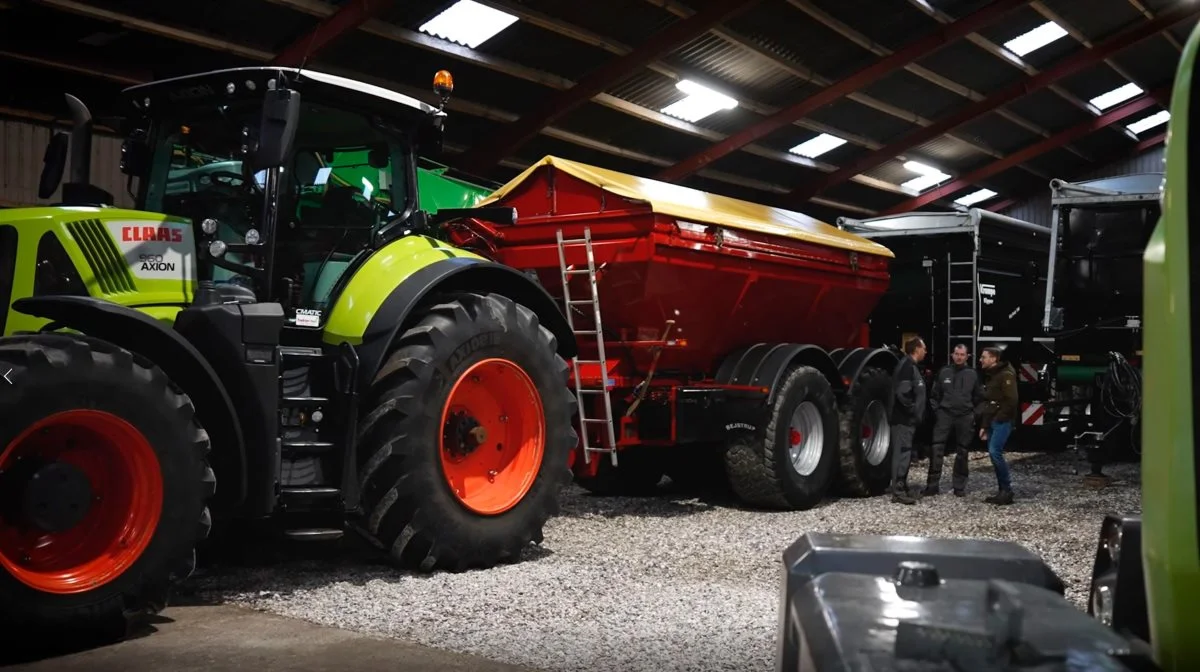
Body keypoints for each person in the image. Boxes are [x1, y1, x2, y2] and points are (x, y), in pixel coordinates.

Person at [925, 343, 983, 497]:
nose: (959, 357)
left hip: (965, 416)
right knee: (937, 448)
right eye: (956, 354)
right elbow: (934, 395)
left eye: (962, 354)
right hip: (945, 414)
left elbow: (980, 398)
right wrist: (938, 412)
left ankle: (959, 486)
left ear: (967, 356)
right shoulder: (944, 372)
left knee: (962, 451)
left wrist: (974, 415)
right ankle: (932, 485)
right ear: (952, 355)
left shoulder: (973, 374)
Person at [976, 346, 1018, 505]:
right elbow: (989, 403)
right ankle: (1002, 490)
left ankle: (1006, 490)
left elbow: (1011, 400)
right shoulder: (992, 375)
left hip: (1001, 421)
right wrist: (985, 425)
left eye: (984, 357)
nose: (981, 360)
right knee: (994, 454)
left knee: (995, 452)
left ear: (993, 359)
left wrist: (999, 418)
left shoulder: (1005, 375)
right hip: (993, 421)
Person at [889, 336, 927, 505]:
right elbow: (903, 393)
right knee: (901, 453)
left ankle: (902, 487)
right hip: (903, 420)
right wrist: (912, 412)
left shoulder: (911, 366)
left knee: (905, 453)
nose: (925, 352)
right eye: (924, 348)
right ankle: (897, 491)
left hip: (908, 420)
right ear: (917, 349)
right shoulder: (906, 367)